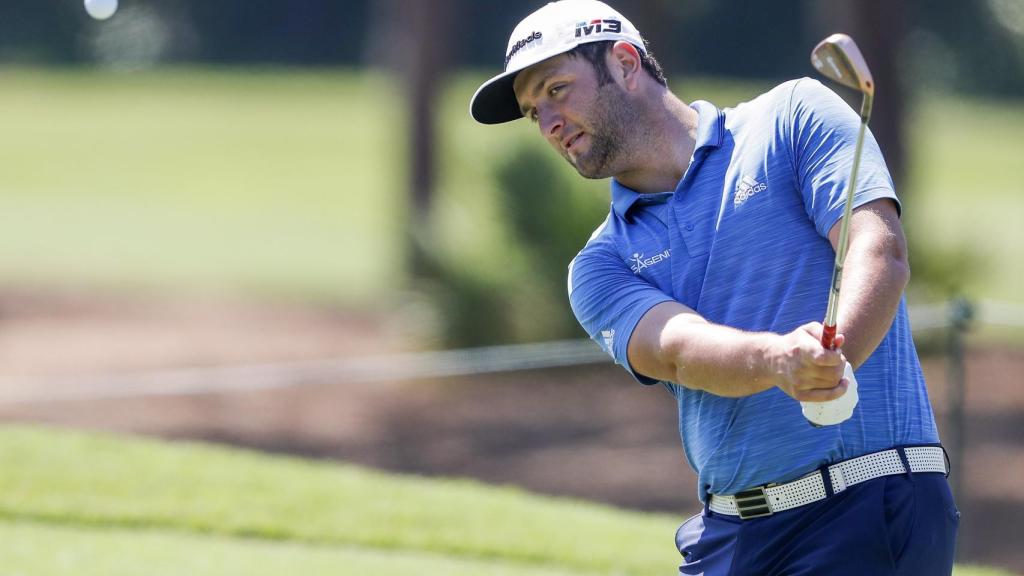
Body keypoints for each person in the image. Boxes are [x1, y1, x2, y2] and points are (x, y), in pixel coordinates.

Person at [470, 1, 960, 574]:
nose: (549, 123)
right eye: (534, 112)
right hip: (731, 536)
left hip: (866, 502)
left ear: (625, 62)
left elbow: (878, 250)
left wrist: (835, 353)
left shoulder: (792, 117)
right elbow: (677, 350)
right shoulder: (600, 266)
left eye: (558, 88)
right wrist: (780, 360)